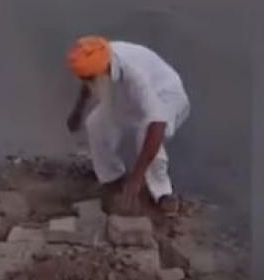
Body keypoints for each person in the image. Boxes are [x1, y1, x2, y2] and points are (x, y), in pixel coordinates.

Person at [66, 36, 191, 216]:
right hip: (124, 92)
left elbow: (157, 126)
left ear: (104, 70)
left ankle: (163, 193)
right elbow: (88, 82)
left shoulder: (134, 74)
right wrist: (78, 111)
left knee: (145, 135)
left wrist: (136, 178)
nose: (88, 81)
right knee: (95, 125)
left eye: (90, 77)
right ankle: (112, 179)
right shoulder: (98, 60)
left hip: (163, 95)